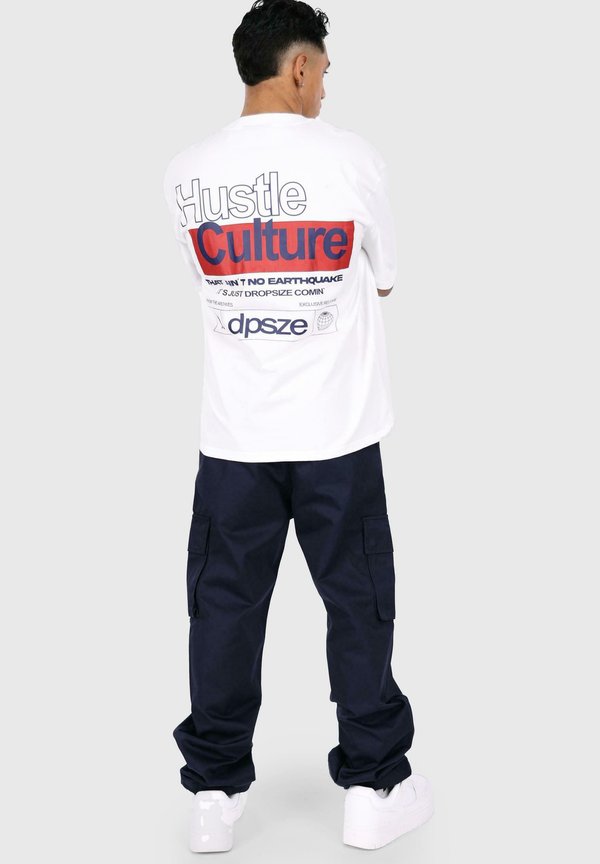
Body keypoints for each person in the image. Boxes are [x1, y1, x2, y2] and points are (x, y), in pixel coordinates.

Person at [162, 0, 433, 852]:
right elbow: (384, 278)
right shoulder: (352, 159)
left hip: (235, 441)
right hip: (337, 437)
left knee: (222, 609)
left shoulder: (186, 173)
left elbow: (211, 284)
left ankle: (213, 796)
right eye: (323, 73)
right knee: (358, 605)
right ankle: (376, 787)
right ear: (300, 66)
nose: (323, 90)